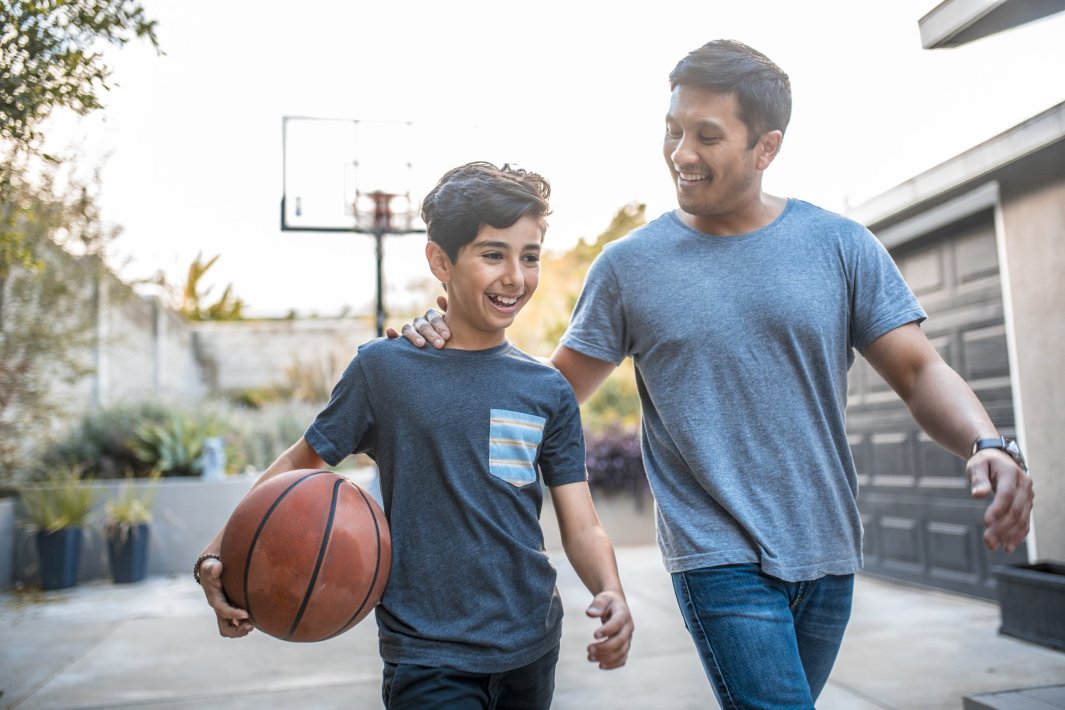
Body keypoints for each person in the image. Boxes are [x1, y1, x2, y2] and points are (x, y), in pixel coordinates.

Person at [392, 40, 1034, 708]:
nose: (680, 154)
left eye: (705, 135)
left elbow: (917, 370)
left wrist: (986, 442)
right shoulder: (628, 267)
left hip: (828, 549)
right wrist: (441, 348)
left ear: (766, 147)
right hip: (715, 556)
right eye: (672, 131)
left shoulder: (839, 246)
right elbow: (548, 396)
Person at [195, 161, 634, 710]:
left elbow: (582, 523)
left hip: (532, 643)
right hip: (428, 654)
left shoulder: (546, 389)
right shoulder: (386, 370)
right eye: (493, 254)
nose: (515, 277)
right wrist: (218, 555)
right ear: (440, 261)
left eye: (530, 256)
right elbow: (300, 464)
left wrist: (610, 590)